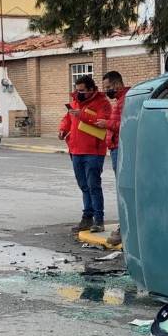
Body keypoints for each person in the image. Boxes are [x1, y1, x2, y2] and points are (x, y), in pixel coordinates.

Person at [58, 75, 111, 233]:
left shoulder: (102, 103)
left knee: (93, 185)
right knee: (84, 186)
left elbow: (102, 121)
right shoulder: (75, 102)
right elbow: (67, 118)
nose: (79, 93)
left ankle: (99, 220)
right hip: (76, 150)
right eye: (77, 90)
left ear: (91, 89)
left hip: (93, 151)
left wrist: (81, 114)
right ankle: (87, 217)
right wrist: (62, 129)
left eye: (82, 90)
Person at [95, 71, 129, 244]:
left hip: (119, 148)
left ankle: (124, 227)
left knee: (123, 189)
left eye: (108, 87)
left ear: (117, 85)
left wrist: (106, 124)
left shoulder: (125, 101)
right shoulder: (119, 101)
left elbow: (125, 125)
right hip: (115, 147)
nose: (107, 91)